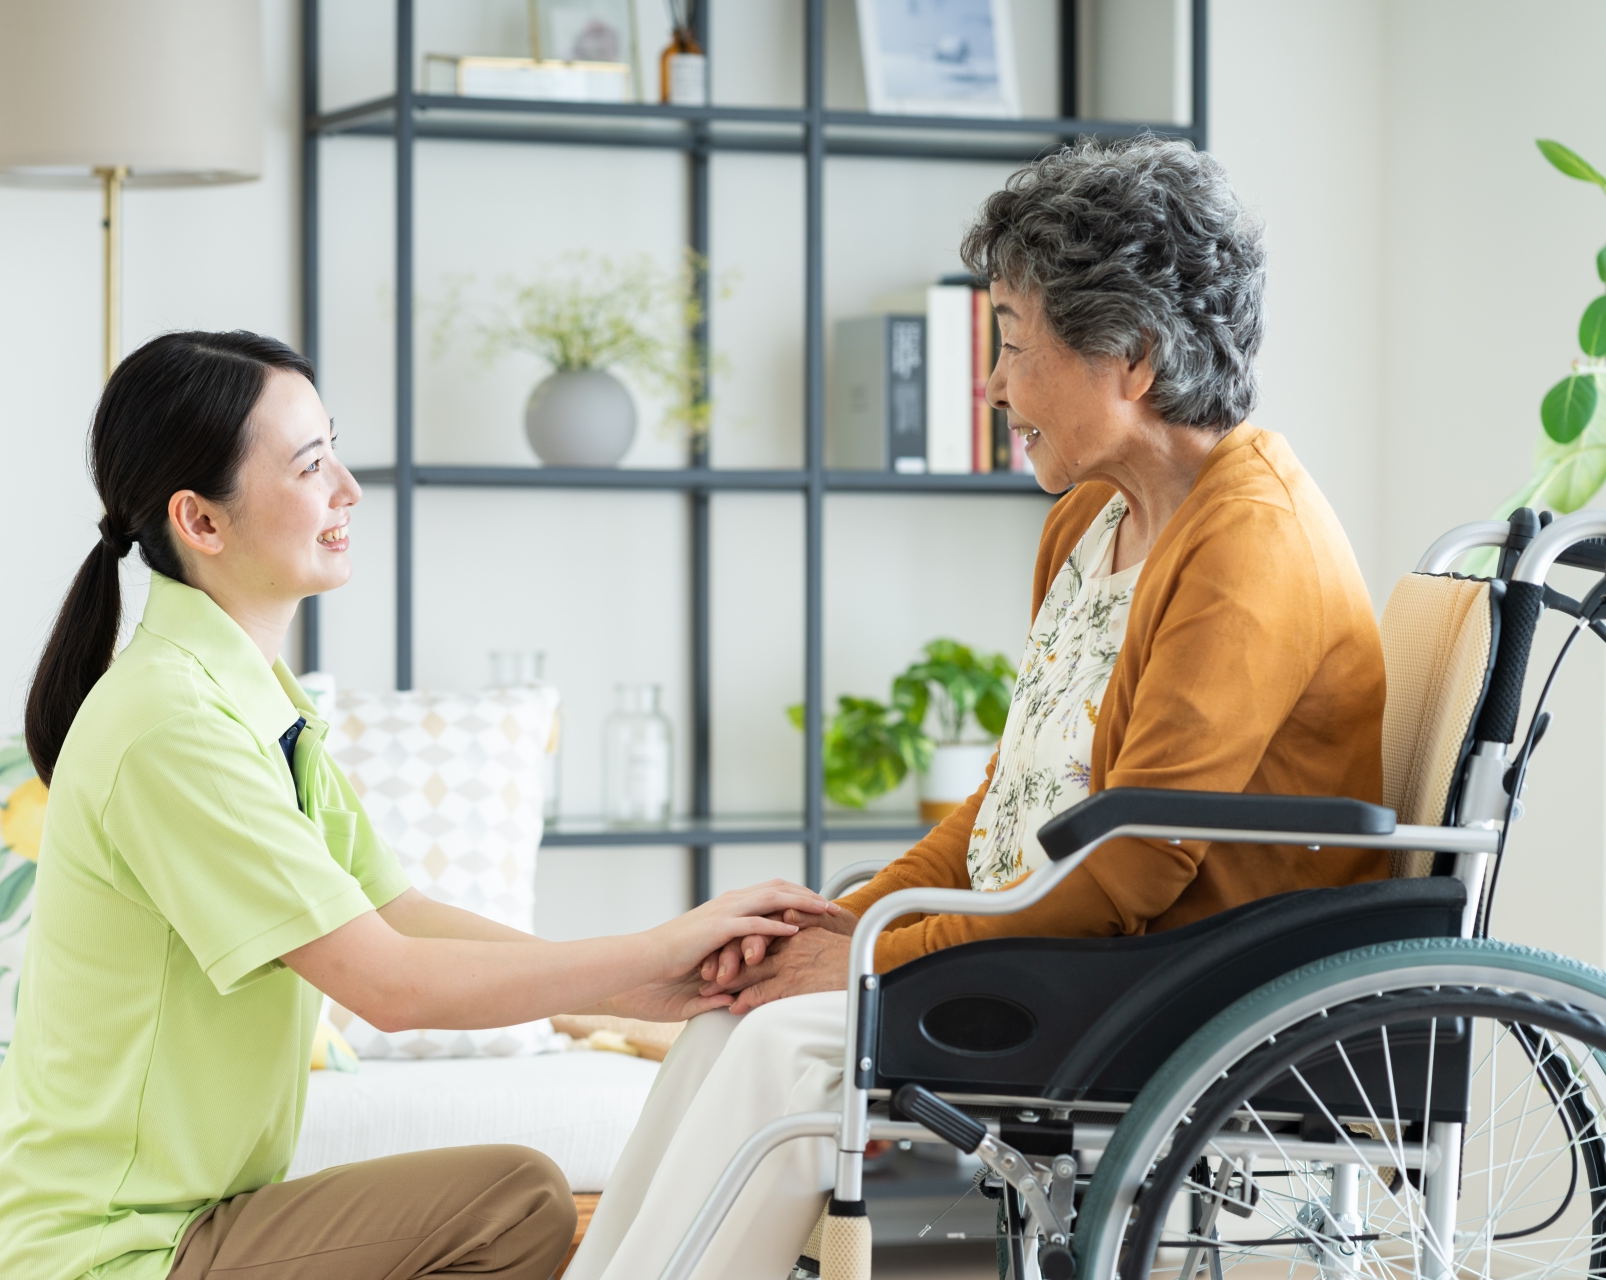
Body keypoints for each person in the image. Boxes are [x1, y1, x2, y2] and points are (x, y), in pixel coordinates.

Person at [564, 137, 1387, 1279]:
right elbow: (1013, 801)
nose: (992, 383)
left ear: (1133, 357)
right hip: (1074, 936)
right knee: (738, 1014)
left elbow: (1136, 866)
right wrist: (852, 920)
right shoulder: (1091, 518)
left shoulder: (1251, 540)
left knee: (802, 1044)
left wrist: (885, 953)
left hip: (1189, 967)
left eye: (1010, 340)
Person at [0, 331, 836, 1280]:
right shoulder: (172, 725)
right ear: (201, 523)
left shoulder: (253, 701)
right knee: (511, 1205)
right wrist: (658, 949)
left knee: (514, 1198)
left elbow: (397, 914)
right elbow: (389, 983)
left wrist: (645, 986)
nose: (348, 488)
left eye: (334, 445)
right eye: (308, 464)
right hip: (101, 1250)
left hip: (181, 1220)